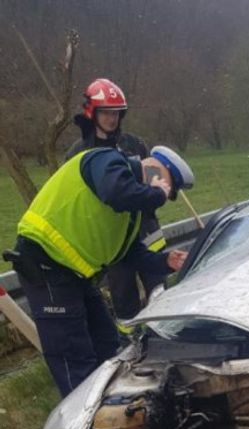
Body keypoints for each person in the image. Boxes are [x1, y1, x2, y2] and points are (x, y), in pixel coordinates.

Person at [5, 145, 193, 395]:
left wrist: (164, 261)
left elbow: (128, 252)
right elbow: (115, 191)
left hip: (75, 276)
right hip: (44, 265)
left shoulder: (129, 210)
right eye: (167, 187)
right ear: (155, 172)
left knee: (108, 344)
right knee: (74, 356)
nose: (164, 197)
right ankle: (81, 426)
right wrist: (156, 194)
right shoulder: (107, 161)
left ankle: (113, 408)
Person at [65, 78, 168, 322]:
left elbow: (154, 176)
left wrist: (161, 187)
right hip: (112, 241)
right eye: (106, 113)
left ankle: (165, 336)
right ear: (93, 112)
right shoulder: (77, 152)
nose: (112, 119)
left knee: (161, 294)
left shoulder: (134, 144)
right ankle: (131, 347)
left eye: (116, 113)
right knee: (124, 300)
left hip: (146, 233)